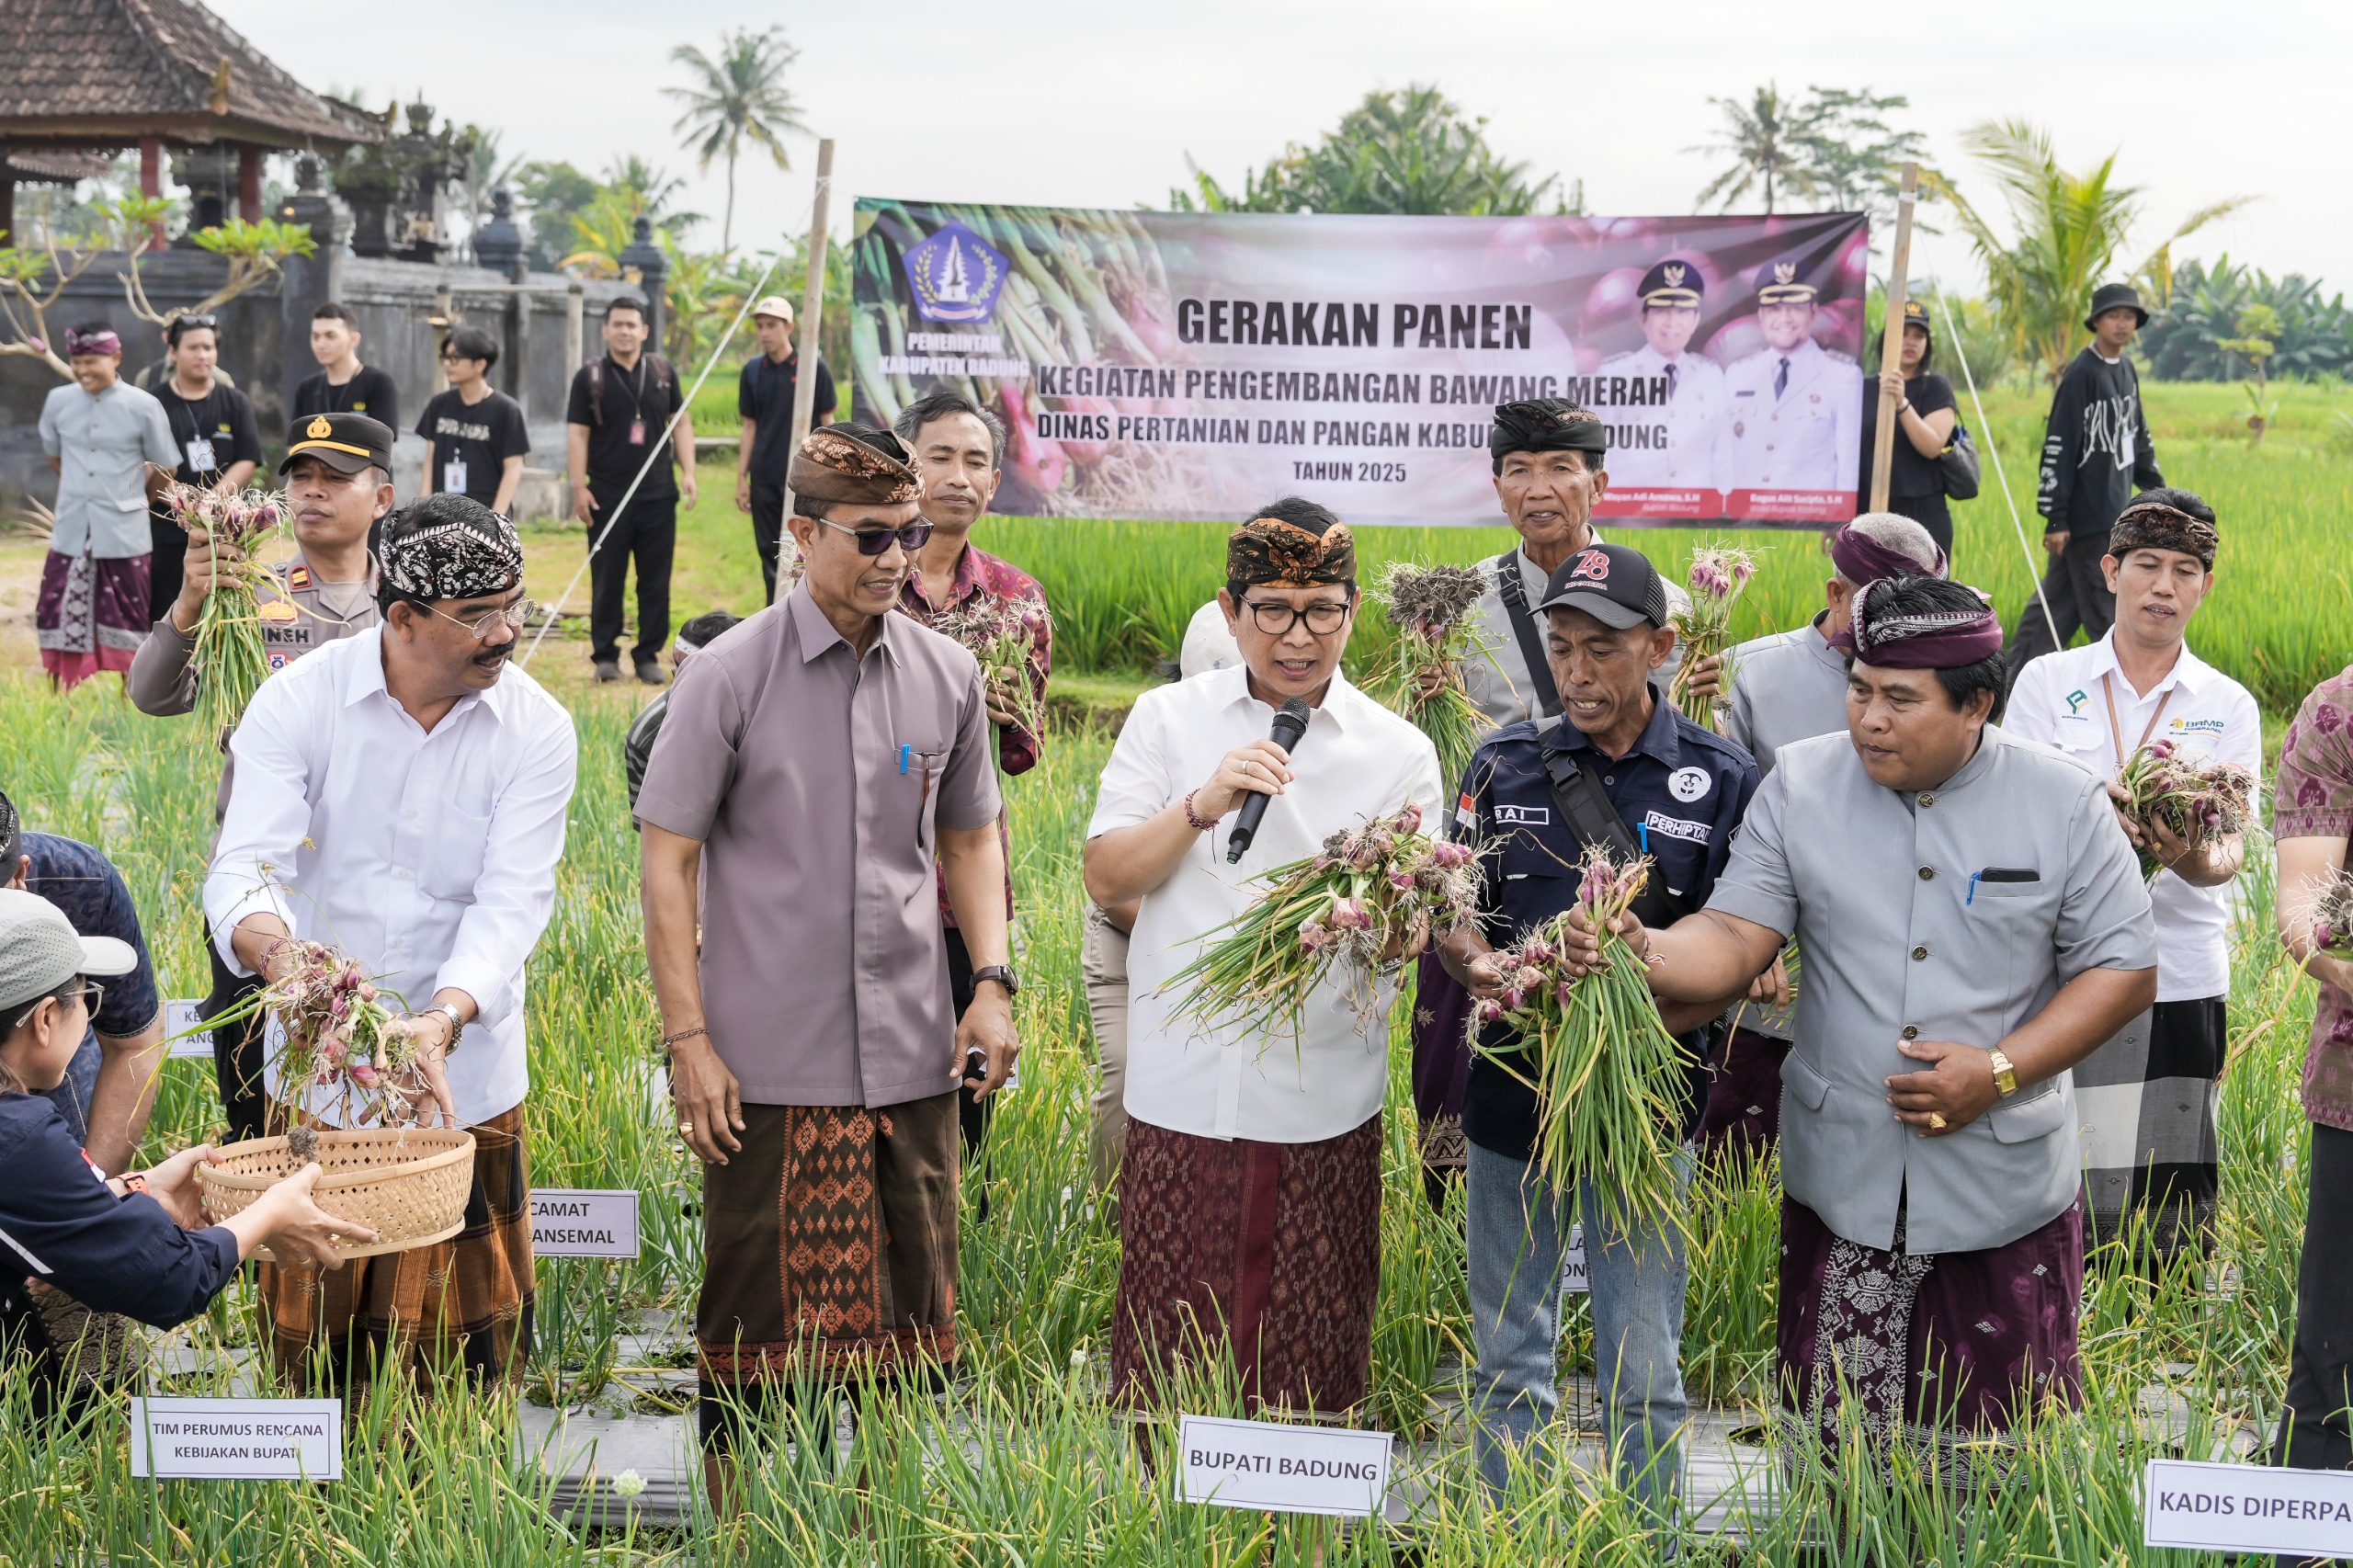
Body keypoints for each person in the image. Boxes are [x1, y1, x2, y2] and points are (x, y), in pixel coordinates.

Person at [1617, 574, 2155, 1483]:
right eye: (1859, 687)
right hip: (1846, 1179)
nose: (1869, 716)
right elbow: (1736, 934)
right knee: (1839, 1476)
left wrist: (1997, 1067)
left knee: (1997, 1472)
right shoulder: (1802, 781)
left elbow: (2124, 969)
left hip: (2000, 1188)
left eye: (1899, 698)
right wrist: (1646, 952)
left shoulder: (2061, 802)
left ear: (1975, 703)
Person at [634, 426, 1016, 1504]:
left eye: (911, 534)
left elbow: (971, 835)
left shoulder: (946, 672)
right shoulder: (727, 673)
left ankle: (880, 1522)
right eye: (872, 536)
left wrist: (989, 981)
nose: (898, 556)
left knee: (907, 1333)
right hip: (765, 1066)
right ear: (801, 533)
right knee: (752, 1334)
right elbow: (668, 861)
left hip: (911, 1056)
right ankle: (748, 1533)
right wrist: (689, 1041)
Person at [205, 494, 577, 1393]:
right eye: (479, 616)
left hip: (464, 1076)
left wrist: (442, 1019)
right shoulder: (299, 700)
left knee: (463, 1361)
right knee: (315, 1360)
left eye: (515, 605)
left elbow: (511, 898)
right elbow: (242, 867)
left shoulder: (537, 727)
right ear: (401, 615)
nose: (507, 631)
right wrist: (284, 961)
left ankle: (457, 1512)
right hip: (323, 1072)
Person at [1084, 499, 1443, 1426]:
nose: (1298, 635)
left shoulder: (1399, 750)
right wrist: (1202, 803)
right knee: (1168, 1371)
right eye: (1273, 608)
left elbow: (1413, 930)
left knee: (1307, 1369)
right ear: (1231, 608)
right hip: (1181, 1080)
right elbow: (1106, 871)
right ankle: (1162, 1535)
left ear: (1353, 609)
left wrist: (1391, 913)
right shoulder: (1168, 719)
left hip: (1320, 1091)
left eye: (1322, 607)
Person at [1439, 540, 1758, 1511]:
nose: (1577, 671)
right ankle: (1513, 1528)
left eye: (1603, 650)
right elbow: (1452, 910)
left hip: (1649, 1101)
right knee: (1509, 1353)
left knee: (1642, 1360)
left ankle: (1647, 1534)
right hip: (1512, 1094)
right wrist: (1484, 965)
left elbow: (1743, 951)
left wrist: (1649, 1006)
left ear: (1660, 645)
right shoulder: (1501, 762)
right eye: (1563, 646)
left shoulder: (1721, 776)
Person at [1422, 401, 1688, 1202]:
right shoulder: (1453, 603)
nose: (1540, 488)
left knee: (1622, 1105)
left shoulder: (1665, 602)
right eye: (1519, 470)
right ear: (1498, 486)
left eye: (1560, 468)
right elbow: (1436, 756)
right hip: (1497, 881)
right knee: (1474, 1087)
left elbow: (1687, 749)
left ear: (1598, 482)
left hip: (1623, 897)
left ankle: (1614, 1241)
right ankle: (1466, 1263)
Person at [2003, 491, 2256, 1265]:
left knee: (2167, 1221)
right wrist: (2088, 819)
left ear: (2204, 586)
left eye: (2186, 570)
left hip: (2178, 978)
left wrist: (2182, 852)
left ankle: (2152, 1363)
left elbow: (2230, 860)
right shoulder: (2049, 681)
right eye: (2146, 564)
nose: (2164, 586)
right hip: (2062, 973)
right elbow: (2011, 818)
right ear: (2110, 570)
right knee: (2052, 1187)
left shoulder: (2228, 705)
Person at [0, 889, 369, 1414]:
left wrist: (135, 1190)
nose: (88, 1013)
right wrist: (269, 1212)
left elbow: (29, 1206)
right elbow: (169, 1282)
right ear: (44, 1019)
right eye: (86, 998)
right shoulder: (21, 1135)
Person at [131, 413, 394, 1141]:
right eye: (300, 477)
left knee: (375, 1105)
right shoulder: (247, 592)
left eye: (335, 478)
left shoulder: (406, 611)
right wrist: (190, 602)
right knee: (260, 1115)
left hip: (375, 884)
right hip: (260, 888)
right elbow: (154, 695)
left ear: (381, 498)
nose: (311, 492)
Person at [1699, 513, 1947, 1157]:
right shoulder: (1744, 676)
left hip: (1897, 982)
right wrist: (1753, 939)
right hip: (1772, 979)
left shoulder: (1949, 682)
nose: (1902, 631)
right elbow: (1715, 825)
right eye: (1885, 609)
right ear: (1837, 595)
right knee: (1743, 1177)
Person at [892, 391, 1052, 1184]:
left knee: (967, 1086)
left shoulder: (1016, 600)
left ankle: (963, 1248)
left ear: (994, 484)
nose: (959, 477)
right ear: (905, 463)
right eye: (940, 456)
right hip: (864, 875)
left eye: (977, 462)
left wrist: (997, 711)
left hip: (964, 882)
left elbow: (1022, 751)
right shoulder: (863, 575)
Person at [2270, 660, 2353, 1477]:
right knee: (2334, 1339)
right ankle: (2311, 1514)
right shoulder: (2340, 711)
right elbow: (2307, 900)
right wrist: (2332, 956)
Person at [0, 793, 165, 1180]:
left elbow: (133, 1044)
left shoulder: (83, 885)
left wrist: (95, 1194)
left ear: (20, 876)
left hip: (49, 1061)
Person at [2010, 283, 2164, 676]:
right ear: (2096, 321)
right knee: (2106, 613)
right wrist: (2056, 517)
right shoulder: (2081, 373)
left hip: (2114, 516)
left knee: (2052, 613)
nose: (2122, 323)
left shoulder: (2126, 369)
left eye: (2129, 317)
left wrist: (2159, 494)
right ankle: (2121, 690)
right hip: (2086, 520)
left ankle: (2008, 690)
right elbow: (2058, 445)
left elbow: (2136, 435)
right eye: (2114, 315)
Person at [35, 324, 176, 690]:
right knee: (56, 613)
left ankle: (131, 703)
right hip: (71, 530)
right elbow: (55, 457)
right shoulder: (57, 400)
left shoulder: (144, 405)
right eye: (76, 361)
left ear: (115, 358)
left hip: (124, 533)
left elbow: (166, 468)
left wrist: (136, 502)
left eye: (91, 361)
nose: (82, 370)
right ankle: (60, 699)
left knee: (128, 618)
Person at [566, 296, 697, 685]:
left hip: (658, 494)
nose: (624, 331)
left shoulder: (661, 372)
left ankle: (647, 655)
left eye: (631, 324)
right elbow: (577, 433)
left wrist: (688, 471)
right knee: (607, 577)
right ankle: (605, 654)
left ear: (644, 331)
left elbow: (682, 423)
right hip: (606, 495)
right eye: (617, 324)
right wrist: (578, 487)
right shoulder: (590, 377)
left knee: (655, 578)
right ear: (605, 330)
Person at [144, 311, 261, 620]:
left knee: (226, 611)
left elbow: (248, 457)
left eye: (208, 348)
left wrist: (213, 501)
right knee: (168, 614)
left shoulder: (235, 402)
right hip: (168, 529)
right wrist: (185, 502)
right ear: (173, 351)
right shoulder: (151, 404)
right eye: (193, 347)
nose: (202, 355)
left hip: (227, 529)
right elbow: (147, 463)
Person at [1720, 258, 1862, 495]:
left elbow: (1848, 461)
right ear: (1761, 316)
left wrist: (1841, 523)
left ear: (1813, 312)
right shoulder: (1738, 375)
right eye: (1774, 309)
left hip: (1809, 519)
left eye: (1795, 308)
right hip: (1749, 516)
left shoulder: (1844, 377)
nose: (1784, 318)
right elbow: (1726, 454)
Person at [734, 296, 837, 603]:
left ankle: (809, 613)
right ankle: (775, 615)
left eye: (772, 325)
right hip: (765, 475)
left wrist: (831, 474)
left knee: (806, 550)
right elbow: (749, 426)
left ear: (789, 327)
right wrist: (742, 477)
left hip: (806, 478)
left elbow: (827, 424)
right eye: (760, 326)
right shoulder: (752, 372)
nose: (765, 332)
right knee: (770, 553)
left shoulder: (813, 368)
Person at [1595, 258, 1726, 497]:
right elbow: (1600, 451)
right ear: (1643, 319)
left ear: (1696, 320)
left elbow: (1722, 451)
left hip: (1696, 512)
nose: (1672, 322)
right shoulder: (1614, 375)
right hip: (1631, 512)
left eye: (1683, 312)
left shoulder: (1711, 375)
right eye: (1662, 311)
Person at [1855, 300, 1961, 559]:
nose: (1910, 341)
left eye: (1918, 335)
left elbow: (1932, 446)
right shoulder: (1863, 388)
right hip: (1868, 514)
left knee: (1923, 598)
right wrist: (1834, 518)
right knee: (1866, 596)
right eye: (1902, 333)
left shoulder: (1935, 387)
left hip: (1923, 514)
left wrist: (1901, 402)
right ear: (1886, 339)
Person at [623, 609, 743, 816]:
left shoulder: (771, 708)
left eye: (690, 669)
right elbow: (655, 830)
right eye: (677, 666)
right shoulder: (649, 735)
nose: (676, 676)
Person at [416, 325, 530, 517]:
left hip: (484, 516)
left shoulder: (506, 410)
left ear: (480, 364)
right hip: (441, 516)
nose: (447, 364)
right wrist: (423, 509)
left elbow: (513, 468)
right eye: (445, 357)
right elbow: (429, 460)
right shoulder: (439, 404)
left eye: (455, 358)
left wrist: (496, 517)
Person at [291, 301, 400, 427]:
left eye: (330, 336)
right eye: (315, 337)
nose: (320, 344)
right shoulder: (307, 388)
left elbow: (383, 442)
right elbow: (293, 443)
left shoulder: (378, 383)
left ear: (354, 339)